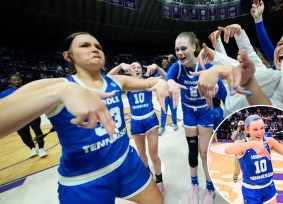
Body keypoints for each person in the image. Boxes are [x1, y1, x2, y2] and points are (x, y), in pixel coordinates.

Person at [2, 32, 170, 204]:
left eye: (98, 47)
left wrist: (163, 83)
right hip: (84, 179)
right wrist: (60, 92)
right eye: (85, 45)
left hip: (126, 161)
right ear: (68, 56)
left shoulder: (116, 80)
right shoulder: (56, 85)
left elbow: (152, 82)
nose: (95, 49)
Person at [166, 31, 227, 204]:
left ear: (194, 47)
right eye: (177, 49)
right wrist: (168, 83)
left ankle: (209, 187)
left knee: (204, 151)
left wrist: (216, 85)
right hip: (188, 112)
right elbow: (169, 79)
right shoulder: (177, 67)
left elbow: (223, 93)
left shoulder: (207, 67)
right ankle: (194, 185)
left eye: (183, 48)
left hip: (204, 110)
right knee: (192, 151)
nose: (179, 53)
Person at [108, 61, 166, 197]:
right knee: (141, 153)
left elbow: (166, 77)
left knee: (153, 154)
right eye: (133, 67)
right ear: (129, 71)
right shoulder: (126, 84)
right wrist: (120, 66)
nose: (136, 69)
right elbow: (108, 78)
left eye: (139, 67)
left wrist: (157, 67)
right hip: (136, 122)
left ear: (142, 70)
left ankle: (159, 180)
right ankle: (148, 176)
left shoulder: (148, 81)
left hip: (150, 119)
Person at [225, 114, 283, 203]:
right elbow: (227, 150)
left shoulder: (269, 141)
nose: (260, 132)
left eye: (262, 128)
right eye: (255, 129)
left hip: (268, 187)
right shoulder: (242, 143)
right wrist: (252, 144)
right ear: (248, 130)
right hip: (251, 190)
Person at [0, 74, 47, 158]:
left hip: (32, 114)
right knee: (24, 135)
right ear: (10, 82)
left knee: (37, 131)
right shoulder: (4, 94)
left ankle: (41, 148)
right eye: (14, 80)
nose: (17, 81)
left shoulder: (29, 89)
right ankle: (33, 148)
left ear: (21, 80)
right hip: (17, 118)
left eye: (18, 79)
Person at [157, 56, 178, 136]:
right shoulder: (159, 72)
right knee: (163, 111)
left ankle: (175, 123)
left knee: (174, 110)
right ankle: (162, 126)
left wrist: (173, 57)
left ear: (168, 63)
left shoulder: (171, 69)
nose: (164, 63)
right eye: (163, 62)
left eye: (166, 62)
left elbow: (177, 64)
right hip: (164, 95)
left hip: (172, 94)